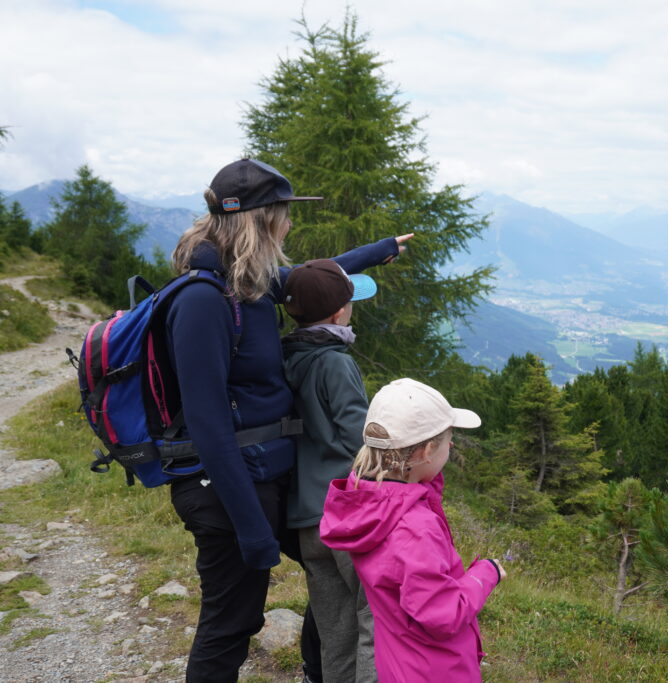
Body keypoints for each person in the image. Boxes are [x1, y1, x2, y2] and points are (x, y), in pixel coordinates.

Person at [164, 157, 410, 682]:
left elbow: (311, 284)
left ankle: (323, 672)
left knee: (333, 578)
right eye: (283, 213)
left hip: (262, 479)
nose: (290, 224)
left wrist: (378, 252)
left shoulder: (247, 281)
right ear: (257, 219)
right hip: (224, 488)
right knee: (232, 619)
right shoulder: (205, 300)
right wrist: (253, 528)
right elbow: (209, 425)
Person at [320, 378, 507, 683]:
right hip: (436, 669)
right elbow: (442, 615)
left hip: (398, 662)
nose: (453, 445)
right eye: (449, 440)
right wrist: (486, 573)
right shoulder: (414, 527)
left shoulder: (371, 505)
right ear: (426, 451)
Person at [281, 259, 379, 682]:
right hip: (346, 514)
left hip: (307, 520)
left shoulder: (283, 358)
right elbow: (362, 441)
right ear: (341, 313)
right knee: (374, 621)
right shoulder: (335, 362)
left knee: (334, 632)